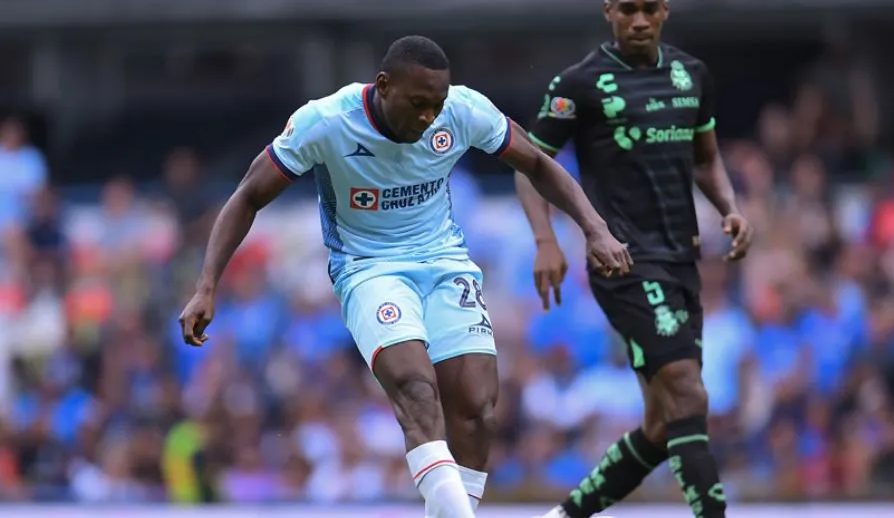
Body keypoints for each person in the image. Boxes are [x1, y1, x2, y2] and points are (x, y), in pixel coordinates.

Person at [178, 35, 632, 518]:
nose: (428, 117)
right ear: (383, 86)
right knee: (417, 389)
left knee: (477, 409)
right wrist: (207, 285)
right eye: (418, 104)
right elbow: (248, 195)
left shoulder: (462, 111)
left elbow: (539, 163)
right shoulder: (326, 122)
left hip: (444, 261)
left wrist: (595, 229)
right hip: (367, 268)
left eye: (436, 105)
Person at [515, 0, 753, 518]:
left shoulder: (691, 74)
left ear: (665, 10)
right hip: (623, 262)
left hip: (682, 259)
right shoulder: (578, 85)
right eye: (628, 9)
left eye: (650, 8)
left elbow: (707, 158)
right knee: (691, 395)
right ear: (609, 13)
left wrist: (731, 207)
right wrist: (545, 240)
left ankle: (563, 517)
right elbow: (530, 165)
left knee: (662, 423)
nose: (640, 20)